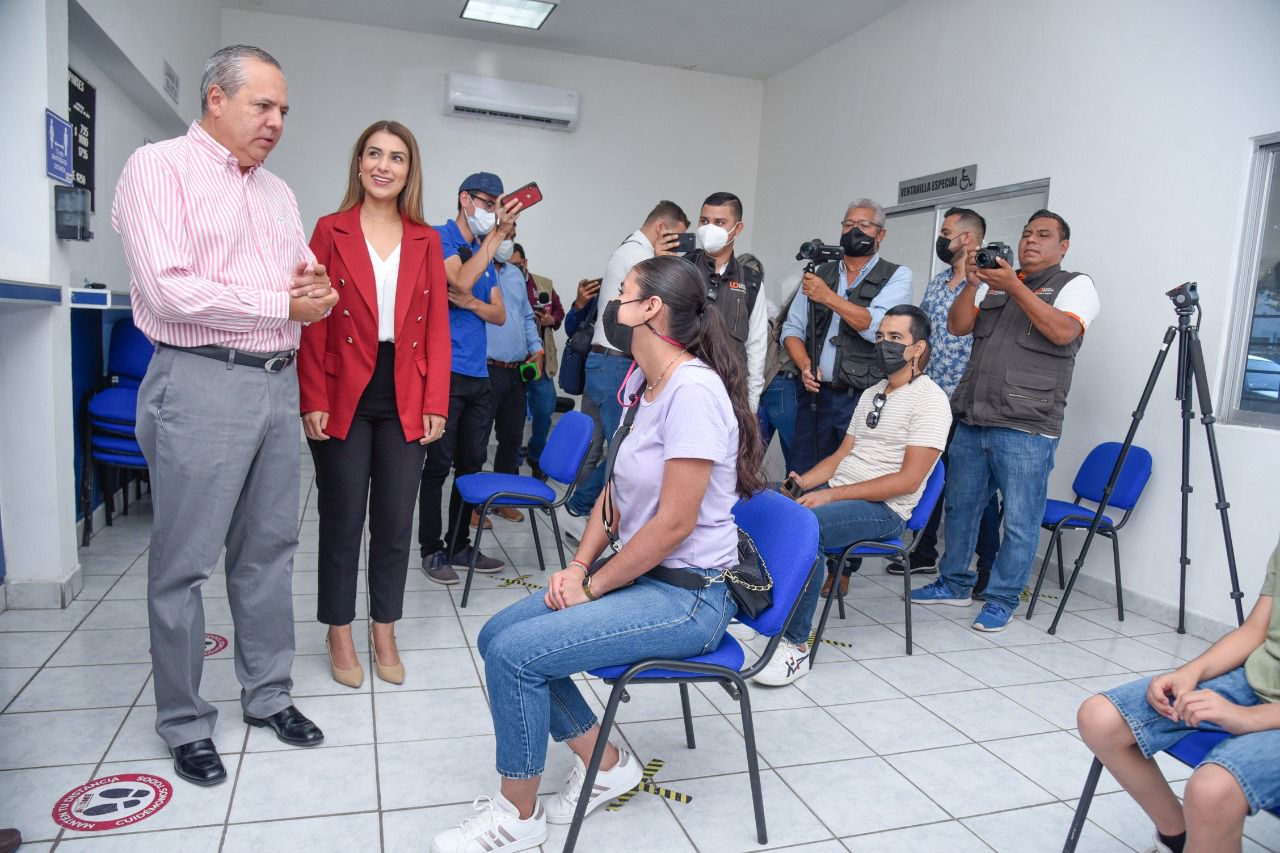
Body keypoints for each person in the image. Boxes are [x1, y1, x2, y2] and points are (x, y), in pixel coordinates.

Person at [430, 256, 761, 852]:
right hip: (643, 575)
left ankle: (517, 817)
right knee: (496, 635)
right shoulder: (644, 382)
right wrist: (580, 566)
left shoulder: (693, 392)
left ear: (650, 309)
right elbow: (615, 493)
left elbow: (675, 524)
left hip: (690, 595)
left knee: (516, 657)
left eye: (623, 292)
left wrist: (595, 586)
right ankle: (605, 763)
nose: (613, 302)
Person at [113, 44, 331, 786]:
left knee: (269, 549)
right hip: (200, 378)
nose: (276, 122)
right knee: (184, 563)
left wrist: (317, 291)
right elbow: (167, 289)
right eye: (262, 105)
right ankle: (183, 720)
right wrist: (281, 303)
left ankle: (268, 695)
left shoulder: (278, 193)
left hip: (275, 381)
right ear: (215, 98)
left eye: (283, 111)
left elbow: (302, 280)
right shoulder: (159, 168)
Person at [299, 120, 450, 688]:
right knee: (342, 518)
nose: (384, 165)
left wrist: (436, 399)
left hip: (406, 387)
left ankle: (384, 627)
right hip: (343, 388)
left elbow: (436, 326)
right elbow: (312, 319)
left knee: (394, 521)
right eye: (374, 154)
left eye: (397, 157)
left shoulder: (426, 239)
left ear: (410, 171)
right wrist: (312, 394)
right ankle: (339, 629)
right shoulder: (329, 229)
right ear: (359, 164)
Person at [911, 209, 1101, 633]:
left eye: (1043, 234)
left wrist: (1014, 286)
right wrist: (972, 284)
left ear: (1063, 246)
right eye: (1027, 233)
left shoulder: (1075, 285)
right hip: (974, 415)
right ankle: (953, 583)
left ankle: (1001, 598)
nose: (1031, 240)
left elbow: (1063, 333)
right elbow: (958, 326)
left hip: (1027, 425)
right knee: (961, 508)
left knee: (1019, 518)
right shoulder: (994, 283)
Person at [755, 305, 950, 686]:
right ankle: (763, 614)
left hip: (886, 509)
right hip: (842, 493)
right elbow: (841, 456)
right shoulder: (873, 392)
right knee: (766, 505)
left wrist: (830, 497)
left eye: (896, 338)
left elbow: (908, 481)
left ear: (918, 348)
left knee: (806, 527)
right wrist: (803, 483)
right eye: (880, 337)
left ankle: (795, 645)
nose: (884, 345)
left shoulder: (931, 401)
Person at [1076, 541, 1280, 853]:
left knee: (1212, 792)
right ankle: (1178, 838)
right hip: (1255, 680)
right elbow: (1255, 630)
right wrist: (1190, 672)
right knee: (1100, 718)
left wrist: (1247, 718)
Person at [555, 201, 690, 541]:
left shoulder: (628, 249)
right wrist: (663, 263)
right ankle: (580, 510)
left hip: (602, 362)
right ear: (662, 228)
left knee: (597, 449)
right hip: (616, 364)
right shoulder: (639, 256)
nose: (679, 245)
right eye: (678, 237)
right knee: (625, 452)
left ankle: (580, 515)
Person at [887, 208, 1001, 590]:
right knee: (928, 474)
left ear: (967, 238)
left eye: (947, 232)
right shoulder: (937, 282)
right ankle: (924, 552)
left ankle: (987, 565)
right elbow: (923, 336)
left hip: (970, 401)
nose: (942, 238)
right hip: (933, 399)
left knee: (977, 488)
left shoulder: (990, 281)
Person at [418, 172, 520, 585]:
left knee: (471, 467)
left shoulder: (482, 252)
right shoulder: (439, 237)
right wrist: (495, 238)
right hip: (445, 371)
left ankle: (459, 545)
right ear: (465, 199)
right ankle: (431, 549)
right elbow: (458, 279)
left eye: (498, 205)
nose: (493, 211)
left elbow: (499, 313)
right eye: (488, 203)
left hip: (479, 374)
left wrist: (468, 303)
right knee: (437, 466)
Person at [781, 198, 913, 476]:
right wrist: (804, 364)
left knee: (851, 476)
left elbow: (877, 328)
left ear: (881, 234)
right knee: (802, 474)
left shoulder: (897, 275)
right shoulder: (820, 272)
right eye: (849, 224)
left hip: (861, 398)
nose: (854, 230)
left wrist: (828, 296)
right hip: (815, 396)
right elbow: (792, 329)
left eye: (864, 225)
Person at [481, 231, 545, 522]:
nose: (508, 241)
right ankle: (473, 506)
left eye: (513, 235)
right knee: (477, 441)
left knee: (511, 439)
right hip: (485, 369)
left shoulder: (515, 275)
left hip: (517, 372)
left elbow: (527, 317)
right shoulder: (474, 271)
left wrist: (537, 349)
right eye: (504, 234)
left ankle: (502, 499)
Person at [684, 192, 769, 411]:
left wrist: (751, 405)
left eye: (720, 222)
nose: (709, 228)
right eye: (704, 221)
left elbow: (757, 345)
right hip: (682, 387)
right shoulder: (682, 268)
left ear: (737, 228)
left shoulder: (751, 281)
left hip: (729, 394)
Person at [515, 243, 563, 480]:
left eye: (518, 265)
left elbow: (559, 312)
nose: (514, 269)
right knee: (512, 413)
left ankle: (536, 455)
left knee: (544, 409)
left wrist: (549, 320)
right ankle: (512, 459)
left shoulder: (543, 284)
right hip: (511, 362)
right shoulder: (499, 282)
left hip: (538, 360)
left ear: (526, 263)